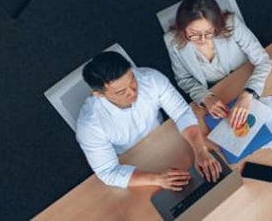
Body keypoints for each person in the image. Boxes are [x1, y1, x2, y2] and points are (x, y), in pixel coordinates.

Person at [76, 51, 222, 189]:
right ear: (98, 94)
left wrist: (200, 150)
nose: (133, 92)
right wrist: (157, 179)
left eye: (132, 80)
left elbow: (182, 113)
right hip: (132, 162)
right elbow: (108, 171)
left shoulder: (150, 78)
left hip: (166, 139)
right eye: (121, 92)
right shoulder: (89, 126)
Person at [165, 0, 272, 129]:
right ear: (182, 28)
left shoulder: (231, 24)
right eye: (194, 33)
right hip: (216, 92)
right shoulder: (172, 41)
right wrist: (205, 98)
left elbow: (263, 60)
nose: (203, 40)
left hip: (247, 78)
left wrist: (248, 93)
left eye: (209, 32)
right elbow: (183, 78)